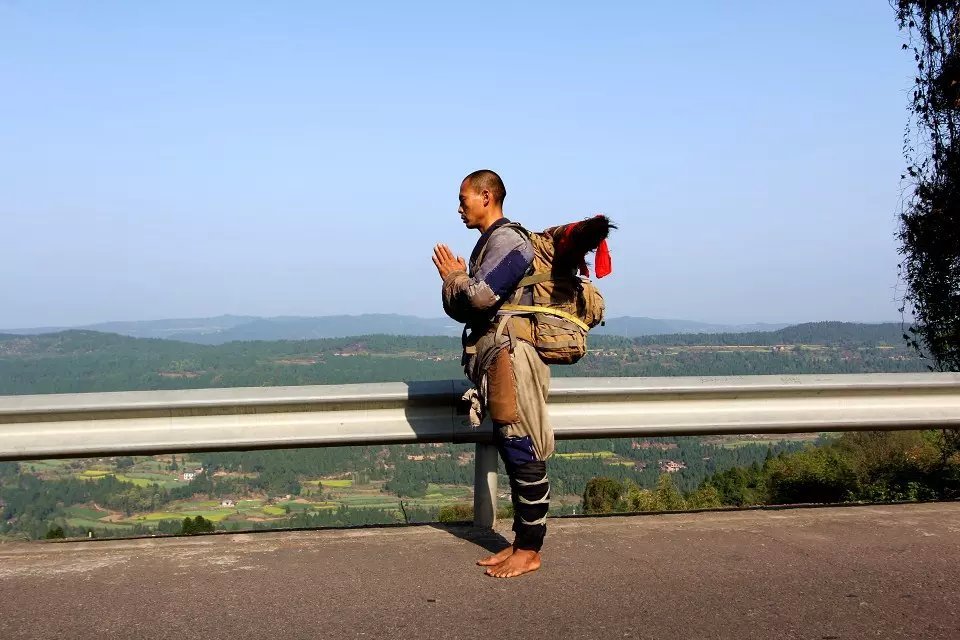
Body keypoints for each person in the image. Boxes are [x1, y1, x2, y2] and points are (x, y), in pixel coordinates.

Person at [431, 169, 553, 579]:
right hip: (498, 360)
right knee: (511, 445)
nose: (459, 207)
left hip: (511, 360)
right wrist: (458, 285)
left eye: (463, 198)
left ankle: (530, 550)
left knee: (523, 450)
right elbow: (466, 305)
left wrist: (454, 277)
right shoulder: (492, 243)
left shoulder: (509, 241)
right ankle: (520, 543)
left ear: (486, 196)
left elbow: (479, 298)